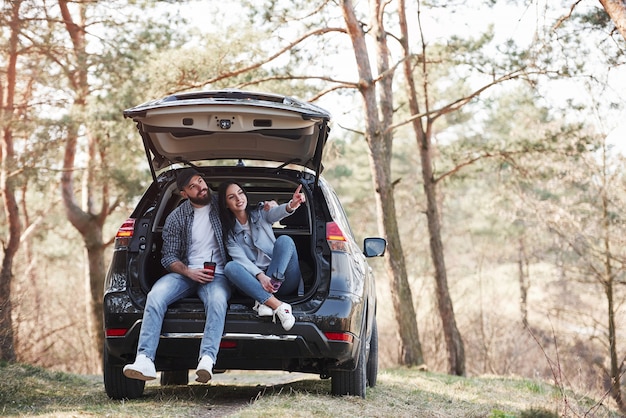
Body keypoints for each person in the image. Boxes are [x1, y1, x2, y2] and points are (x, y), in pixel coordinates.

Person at [123, 168, 231, 384]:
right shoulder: (177, 217)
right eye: (193, 186)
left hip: (218, 274)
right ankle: (144, 359)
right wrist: (189, 271)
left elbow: (249, 213)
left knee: (218, 301)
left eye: (201, 181)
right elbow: (168, 257)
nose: (201, 187)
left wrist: (277, 208)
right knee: (156, 296)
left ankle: (207, 360)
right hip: (186, 273)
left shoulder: (223, 205)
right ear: (184, 194)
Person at [218, 180, 305, 331]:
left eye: (240, 193)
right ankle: (278, 306)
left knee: (285, 241)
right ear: (226, 204)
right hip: (254, 283)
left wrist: (291, 205)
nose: (238, 199)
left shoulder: (260, 212)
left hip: (281, 280)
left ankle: (264, 301)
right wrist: (260, 276)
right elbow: (241, 259)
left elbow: (275, 213)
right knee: (230, 267)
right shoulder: (229, 234)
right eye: (232, 197)